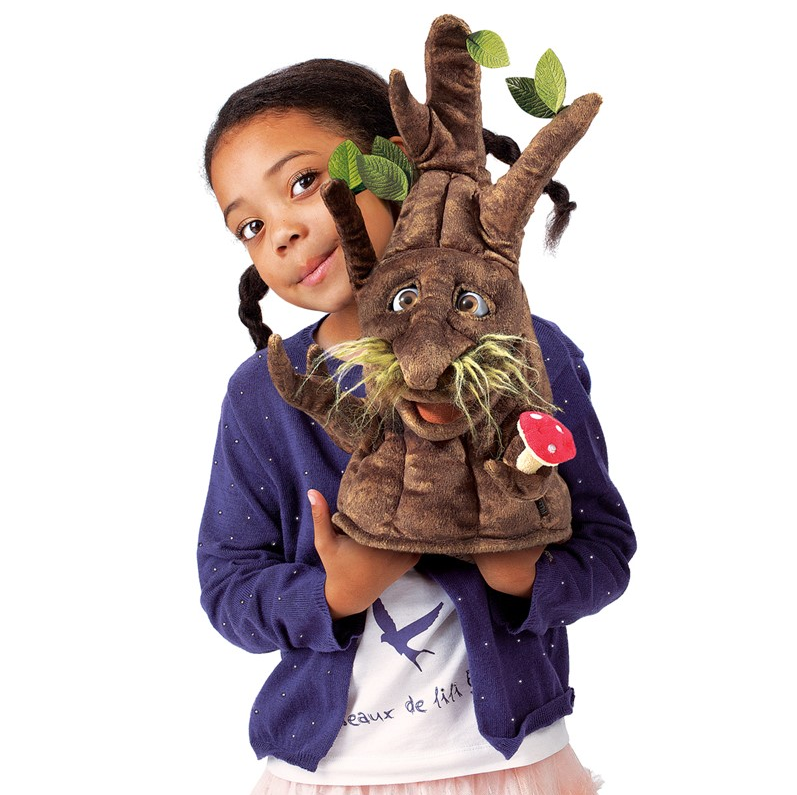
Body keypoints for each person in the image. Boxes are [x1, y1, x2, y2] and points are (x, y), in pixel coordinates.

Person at [198, 57, 636, 795]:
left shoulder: (532, 354)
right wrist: (334, 593)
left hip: (514, 766)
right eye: (250, 224)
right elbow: (228, 585)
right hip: (327, 776)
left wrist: (524, 576)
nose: (281, 234)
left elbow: (606, 547)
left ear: (399, 164)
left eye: (303, 182)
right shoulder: (261, 394)